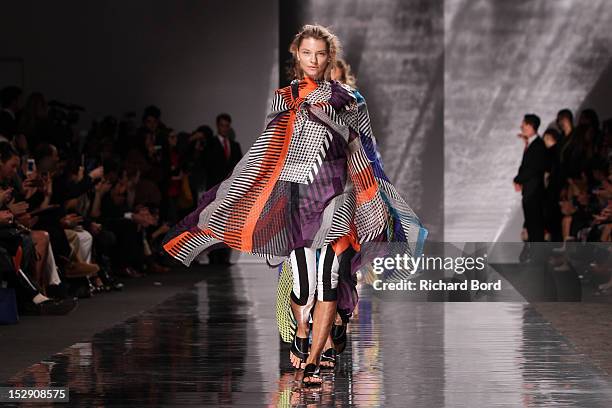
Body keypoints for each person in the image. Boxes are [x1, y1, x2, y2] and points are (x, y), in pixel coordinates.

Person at [162, 24, 427, 386]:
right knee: (304, 285)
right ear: (296, 55)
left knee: (330, 275)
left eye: (320, 53)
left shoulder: (351, 99)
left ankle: (315, 361)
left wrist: (376, 197)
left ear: (329, 56)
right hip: (298, 198)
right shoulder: (283, 98)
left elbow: (366, 149)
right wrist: (240, 193)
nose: (314, 60)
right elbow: (268, 150)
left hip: (340, 193)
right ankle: (301, 328)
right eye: (307, 53)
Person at [203, 114, 243, 265]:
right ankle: (213, 256)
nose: (224, 128)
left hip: (230, 191)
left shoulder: (235, 146)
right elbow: (206, 165)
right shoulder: (210, 144)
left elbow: (240, 168)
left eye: (227, 125)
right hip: (214, 190)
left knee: (227, 223)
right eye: (222, 125)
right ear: (217, 126)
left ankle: (224, 256)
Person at [514, 114, 547, 261]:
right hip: (529, 192)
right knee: (532, 227)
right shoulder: (533, 144)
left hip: (534, 192)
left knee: (535, 228)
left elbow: (532, 168)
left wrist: (518, 179)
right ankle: (535, 258)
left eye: (524, 124)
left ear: (531, 126)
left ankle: (538, 259)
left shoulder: (538, 145)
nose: (522, 126)